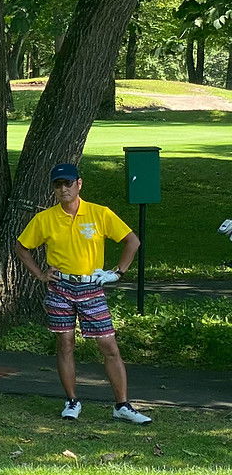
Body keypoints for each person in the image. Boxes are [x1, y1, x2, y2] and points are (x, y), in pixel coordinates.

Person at [13, 163, 151, 424]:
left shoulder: (99, 213)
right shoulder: (45, 218)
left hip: (91, 286)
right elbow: (22, 247)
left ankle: (122, 405)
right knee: (65, 343)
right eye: (57, 185)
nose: (63, 189)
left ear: (79, 184)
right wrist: (40, 274)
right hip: (60, 287)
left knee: (108, 345)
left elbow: (132, 241)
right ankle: (72, 401)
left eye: (68, 183)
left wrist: (118, 272)